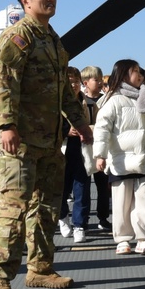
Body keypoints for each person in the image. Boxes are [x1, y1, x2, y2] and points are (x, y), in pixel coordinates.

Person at [0, 0, 93, 289]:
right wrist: (5, 126)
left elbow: (63, 90)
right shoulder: (19, 37)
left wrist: (80, 122)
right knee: (12, 208)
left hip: (49, 141)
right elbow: (4, 83)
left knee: (46, 207)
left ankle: (40, 269)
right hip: (21, 142)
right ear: (25, 1)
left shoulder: (53, 41)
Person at [93, 59, 145, 256]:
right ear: (122, 75)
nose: (140, 75)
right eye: (134, 71)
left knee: (144, 201)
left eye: (139, 71)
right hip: (122, 162)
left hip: (144, 160)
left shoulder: (144, 99)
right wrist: (100, 155)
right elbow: (102, 129)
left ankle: (143, 239)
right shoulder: (114, 101)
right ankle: (122, 239)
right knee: (122, 202)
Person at [58, 66, 91, 242]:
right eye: (70, 82)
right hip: (63, 150)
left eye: (76, 82)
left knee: (82, 190)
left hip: (82, 150)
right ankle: (63, 217)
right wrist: (66, 131)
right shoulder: (57, 102)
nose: (73, 86)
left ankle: (80, 225)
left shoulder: (88, 103)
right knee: (62, 190)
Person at [81, 65, 111, 231]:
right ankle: (83, 218)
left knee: (103, 185)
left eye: (101, 80)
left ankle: (103, 217)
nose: (100, 83)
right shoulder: (79, 99)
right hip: (84, 147)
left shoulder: (106, 99)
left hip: (101, 147)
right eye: (96, 80)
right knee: (83, 185)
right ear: (86, 82)